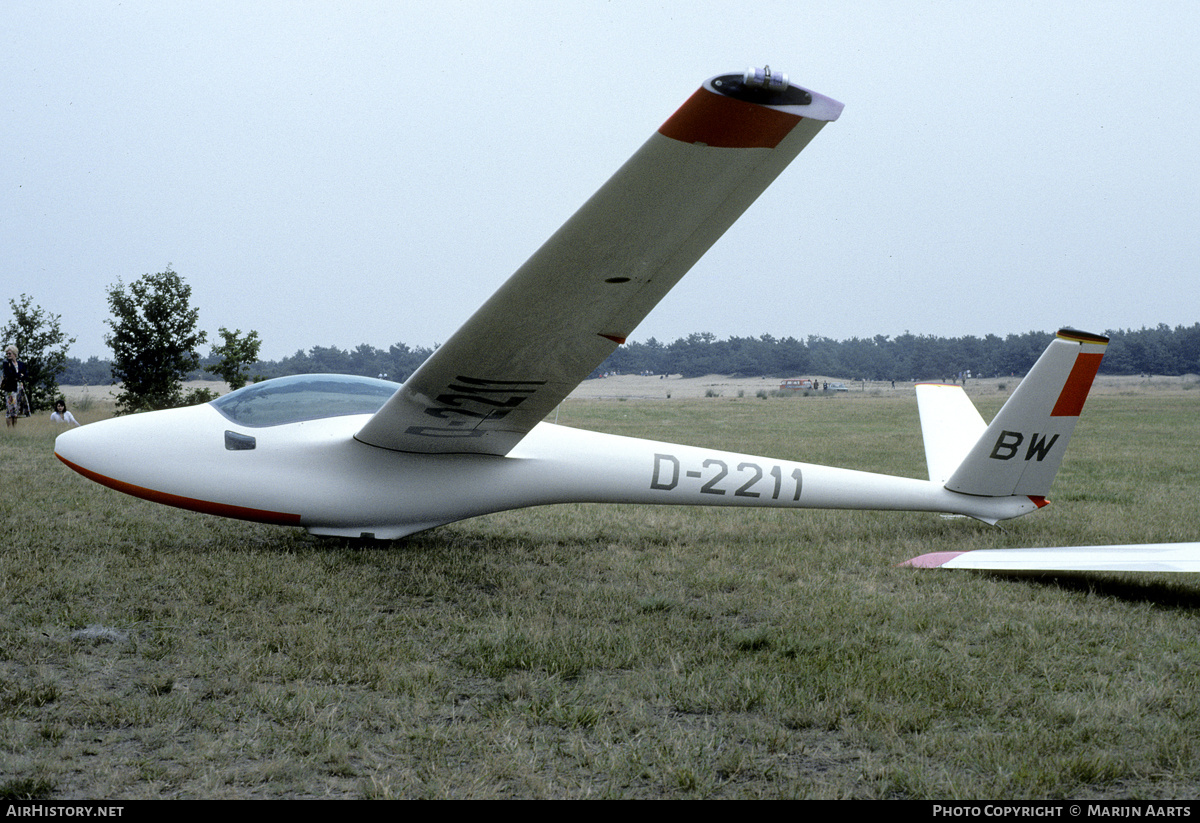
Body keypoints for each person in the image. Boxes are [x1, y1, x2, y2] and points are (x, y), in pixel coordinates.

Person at [2, 345, 28, 428]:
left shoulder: (20, 364)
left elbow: (25, 375)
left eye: (9, 353)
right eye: (7, 354)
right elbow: (9, 375)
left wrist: (18, 376)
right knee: (11, 410)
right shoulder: (6, 364)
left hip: (19, 388)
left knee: (16, 410)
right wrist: (19, 375)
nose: (8, 355)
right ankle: (9, 429)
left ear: (14, 354)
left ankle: (15, 428)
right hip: (10, 389)